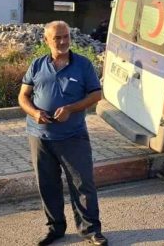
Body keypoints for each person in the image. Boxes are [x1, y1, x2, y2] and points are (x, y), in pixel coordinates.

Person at [18, 21, 107, 246]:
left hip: (73, 136)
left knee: (82, 184)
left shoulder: (83, 65)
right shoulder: (37, 65)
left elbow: (96, 94)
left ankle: (90, 230)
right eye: (57, 38)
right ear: (46, 40)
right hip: (39, 136)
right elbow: (23, 97)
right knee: (47, 185)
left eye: (66, 36)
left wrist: (71, 109)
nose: (63, 41)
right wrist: (35, 113)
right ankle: (55, 228)